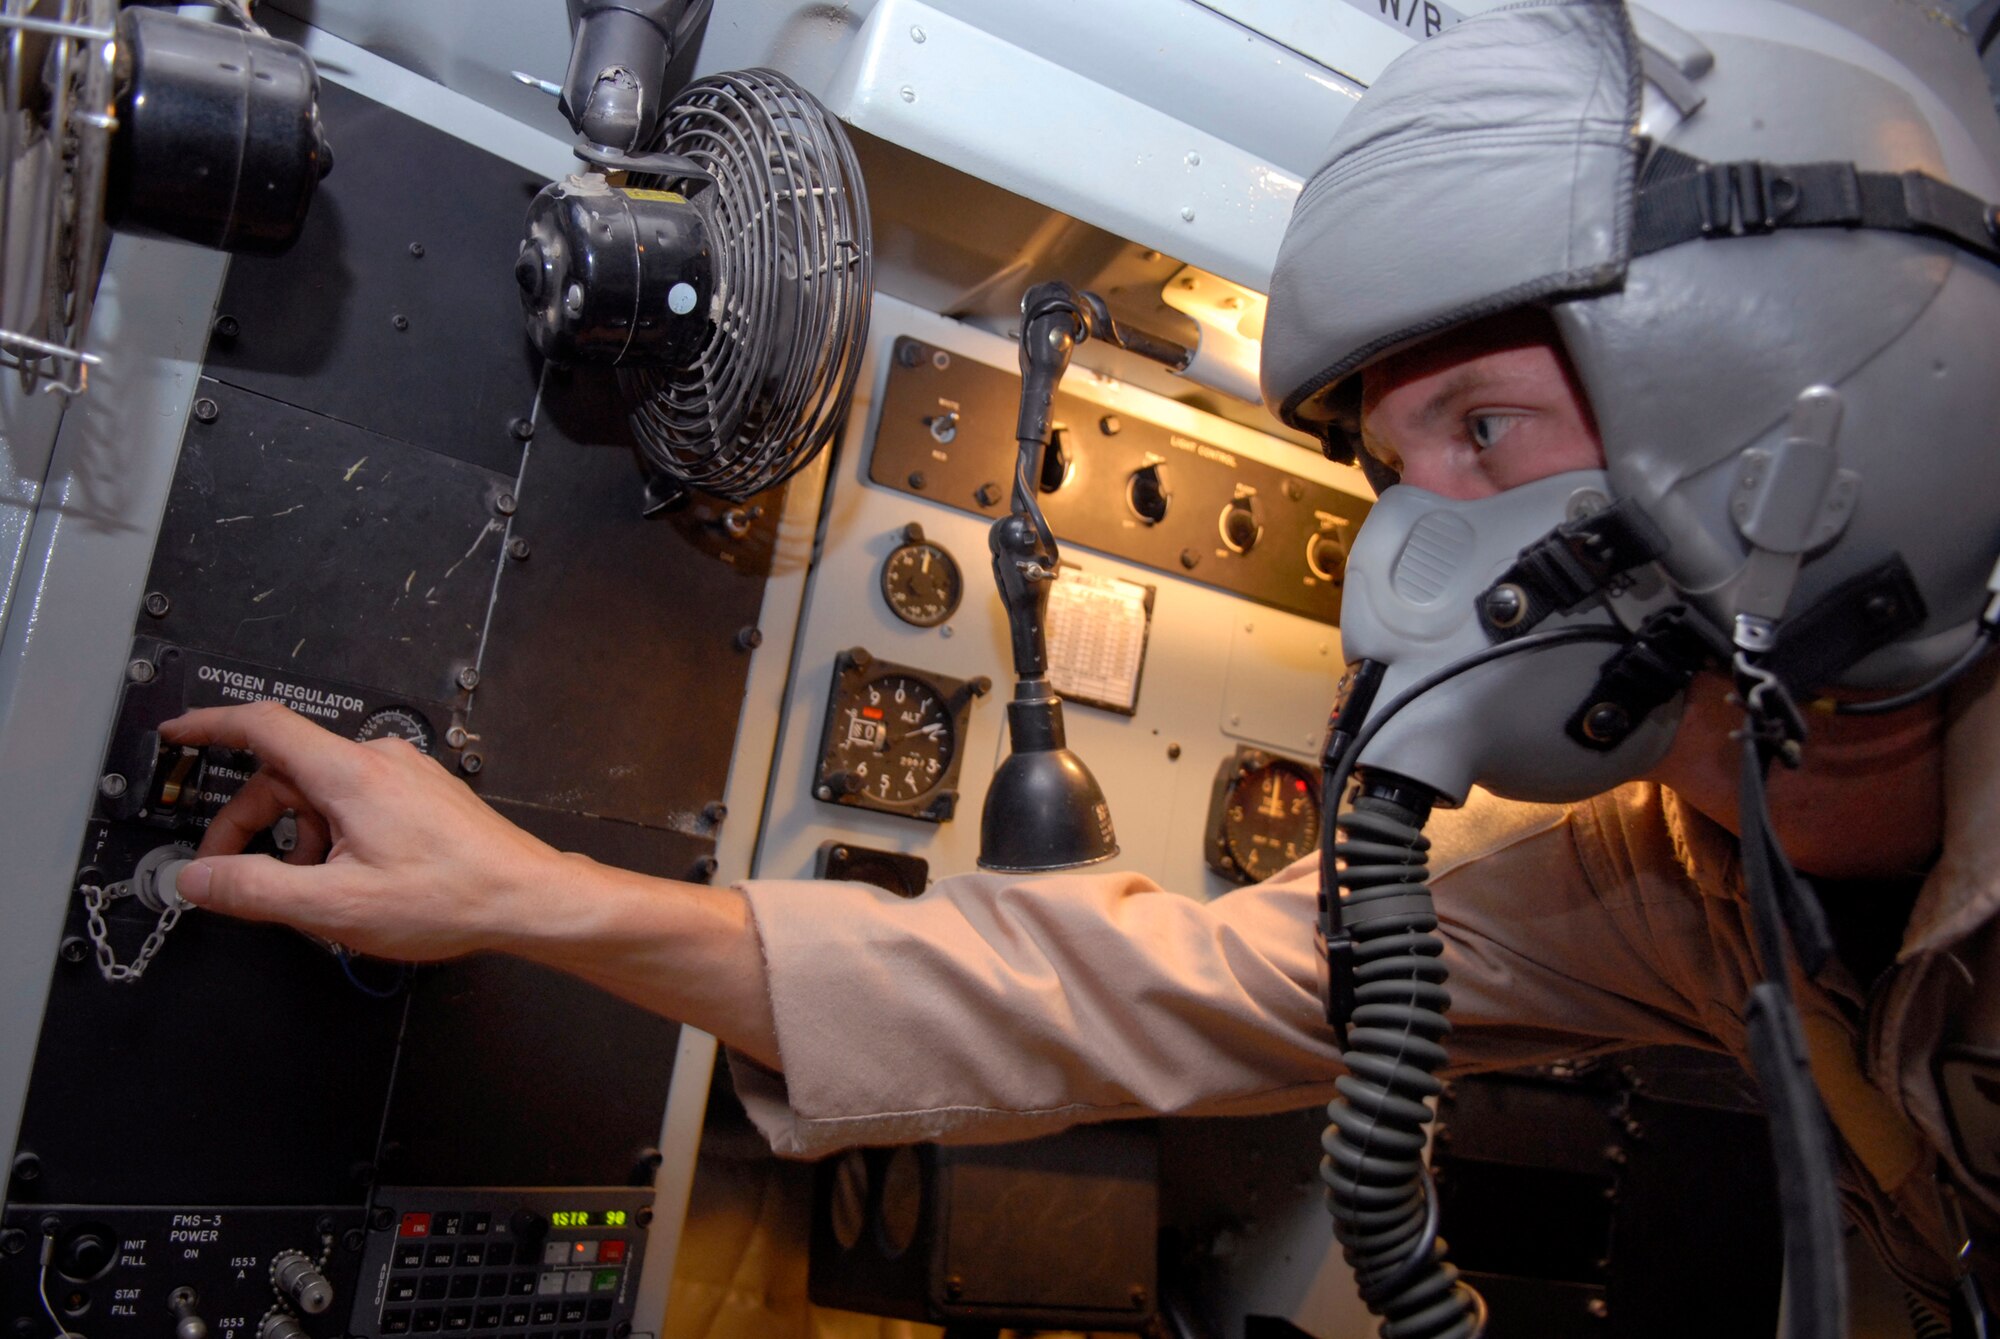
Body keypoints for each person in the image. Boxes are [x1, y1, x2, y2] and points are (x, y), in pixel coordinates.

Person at [152, 0, 2000, 1316]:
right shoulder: (1664, 876)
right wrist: (531, 895)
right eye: (1387, 474)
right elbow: (1124, 988)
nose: (1402, 572)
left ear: (1801, 419)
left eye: (1489, 435)